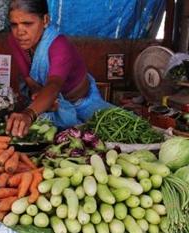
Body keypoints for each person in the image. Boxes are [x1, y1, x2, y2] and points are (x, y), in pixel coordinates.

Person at [6, 0, 113, 137]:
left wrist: (29, 114)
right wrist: (39, 95)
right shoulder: (14, 41)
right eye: (14, 25)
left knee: (118, 127)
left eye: (28, 23)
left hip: (81, 103)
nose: (20, 32)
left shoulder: (59, 45)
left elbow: (54, 84)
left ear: (45, 20)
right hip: (51, 102)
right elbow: (28, 77)